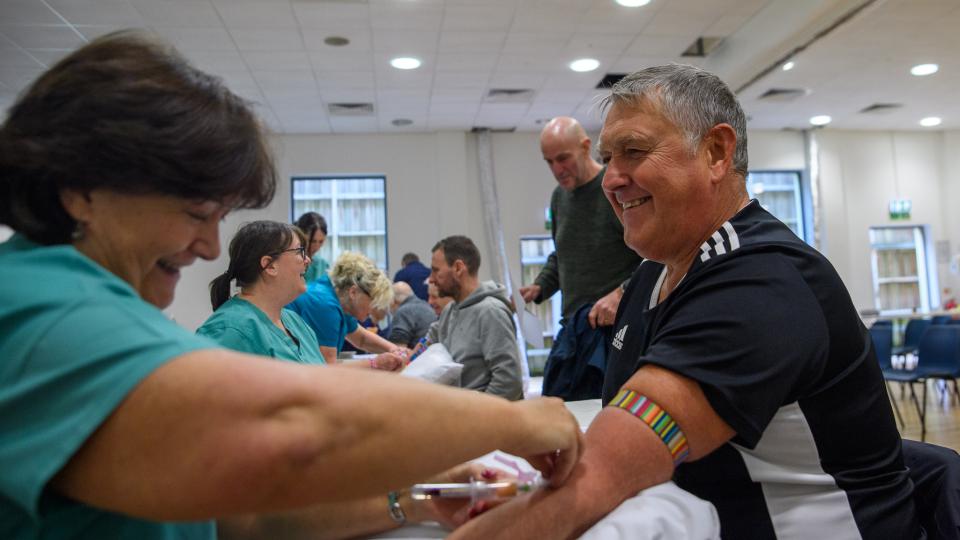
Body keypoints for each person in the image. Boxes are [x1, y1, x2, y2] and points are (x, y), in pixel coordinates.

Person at [0, 30, 584, 540]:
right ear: (82, 188)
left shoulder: (98, 305)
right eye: (196, 211)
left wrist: (415, 500)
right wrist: (515, 420)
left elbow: (239, 517)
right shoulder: (34, 308)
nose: (208, 246)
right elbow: (289, 430)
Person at [454, 64, 919, 539]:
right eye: (608, 157)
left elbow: (604, 474)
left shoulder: (761, 281)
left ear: (717, 152)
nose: (611, 180)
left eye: (633, 151)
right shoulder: (649, 278)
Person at [520, 116, 643, 400]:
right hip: (575, 329)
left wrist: (622, 293)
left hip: (616, 332)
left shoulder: (615, 191)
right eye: (549, 162)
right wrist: (539, 287)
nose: (557, 169)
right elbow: (561, 254)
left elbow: (654, 258)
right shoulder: (559, 198)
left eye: (563, 158)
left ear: (586, 146)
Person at [197, 221, 325, 364]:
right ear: (269, 265)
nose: (307, 260)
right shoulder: (229, 331)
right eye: (299, 252)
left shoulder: (295, 322)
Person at [427, 235, 523, 400]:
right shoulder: (450, 311)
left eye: (436, 270)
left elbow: (508, 382)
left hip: (483, 421)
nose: (431, 279)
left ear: (458, 268)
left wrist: (472, 416)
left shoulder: (491, 312)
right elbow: (425, 347)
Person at [288, 251, 405, 367]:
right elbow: (327, 369)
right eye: (373, 301)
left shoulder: (340, 299)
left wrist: (394, 349)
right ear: (353, 292)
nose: (374, 309)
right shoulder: (325, 305)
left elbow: (361, 339)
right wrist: (375, 363)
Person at [388, 281, 437, 348]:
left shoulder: (402, 311)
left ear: (393, 301)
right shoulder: (427, 306)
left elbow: (398, 349)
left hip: (416, 356)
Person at [295, 211, 329, 283]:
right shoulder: (290, 263)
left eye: (321, 241)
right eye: (312, 241)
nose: (316, 246)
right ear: (300, 236)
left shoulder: (323, 265)